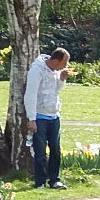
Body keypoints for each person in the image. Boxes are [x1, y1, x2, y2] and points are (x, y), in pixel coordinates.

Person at [24, 46, 72, 189]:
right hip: (39, 116)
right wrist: (31, 118)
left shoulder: (55, 71)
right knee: (40, 151)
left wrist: (62, 80)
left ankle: (55, 180)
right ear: (56, 61)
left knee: (55, 149)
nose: (65, 66)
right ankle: (40, 182)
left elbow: (55, 90)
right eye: (64, 63)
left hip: (53, 115)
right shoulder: (37, 70)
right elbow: (30, 95)